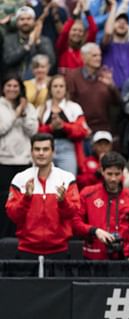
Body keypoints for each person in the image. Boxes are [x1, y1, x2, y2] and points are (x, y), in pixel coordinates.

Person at [6, 133, 80, 259]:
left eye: (45, 149)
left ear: (53, 152)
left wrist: (63, 201)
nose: (41, 153)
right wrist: (26, 198)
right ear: (31, 152)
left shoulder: (67, 178)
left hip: (59, 250)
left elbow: (73, 213)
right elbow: (13, 215)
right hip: (27, 249)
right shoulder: (20, 178)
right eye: (37, 149)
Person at [73, 151, 129, 260]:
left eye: (117, 174)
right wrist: (95, 231)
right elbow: (76, 223)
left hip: (124, 256)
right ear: (102, 171)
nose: (113, 179)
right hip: (93, 256)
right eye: (109, 174)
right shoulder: (87, 194)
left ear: (123, 173)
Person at [0, 74, 39, 238]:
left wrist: (23, 114)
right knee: (4, 200)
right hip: (4, 160)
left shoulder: (28, 107)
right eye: (9, 85)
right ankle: (3, 236)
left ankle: (21, 235)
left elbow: (33, 131)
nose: (12, 89)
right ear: (3, 88)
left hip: (24, 160)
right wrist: (17, 112)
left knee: (23, 199)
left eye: (15, 86)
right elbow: (2, 129)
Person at [38, 75, 90, 176]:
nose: (58, 89)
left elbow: (82, 131)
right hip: (44, 150)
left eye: (61, 86)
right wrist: (50, 128)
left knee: (67, 182)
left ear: (66, 89)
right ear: (50, 89)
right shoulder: (42, 108)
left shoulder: (74, 107)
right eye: (55, 86)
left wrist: (64, 126)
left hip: (67, 149)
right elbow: (35, 132)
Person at [65, 42, 122, 133]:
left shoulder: (105, 76)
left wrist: (112, 86)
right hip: (82, 129)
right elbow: (69, 103)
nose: (98, 58)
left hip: (104, 129)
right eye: (94, 56)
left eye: (99, 55)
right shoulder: (73, 77)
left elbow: (118, 103)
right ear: (84, 57)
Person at [2, 6, 56, 80]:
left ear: (34, 21)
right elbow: (7, 60)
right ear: (17, 22)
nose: (25, 22)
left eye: (29, 19)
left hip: (36, 82)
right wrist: (27, 47)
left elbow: (51, 62)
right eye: (22, 19)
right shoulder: (8, 39)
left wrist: (38, 43)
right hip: (14, 84)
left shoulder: (44, 41)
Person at [101, 0, 129, 89]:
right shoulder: (107, 46)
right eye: (118, 21)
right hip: (110, 90)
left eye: (125, 22)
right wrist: (114, 6)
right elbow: (108, 32)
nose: (122, 24)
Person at [55, 0, 97, 72]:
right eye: (74, 30)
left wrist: (87, 11)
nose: (77, 33)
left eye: (80, 31)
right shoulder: (62, 47)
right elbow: (64, 33)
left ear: (83, 34)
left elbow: (93, 30)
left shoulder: (85, 48)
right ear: (69, 31)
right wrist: (74, 14)